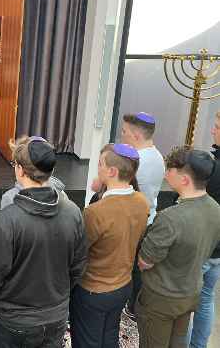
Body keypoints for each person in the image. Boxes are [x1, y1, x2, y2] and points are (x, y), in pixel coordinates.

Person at [0, 136, 87, 348]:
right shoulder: (74, 212)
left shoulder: (7, 221)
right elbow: (78, 267)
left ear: (20, 169)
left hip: (12, 322)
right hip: (55, 317)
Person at [136, 147, 220, 348]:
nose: (166, 174)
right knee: (178, 342)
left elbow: (145, 261)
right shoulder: (216, 209)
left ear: (184, 179)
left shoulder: (170, 218)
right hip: (190, 292)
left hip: (162, 299)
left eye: (170, 169)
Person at [69, 144, 150, 347]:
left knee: (87, 341)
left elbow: (77, 253)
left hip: (93, 291)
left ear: (112, 172)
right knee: (109, 336)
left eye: (100, 164)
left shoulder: (96, 212)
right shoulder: (142, 202)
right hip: (123, 286)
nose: (97, 168)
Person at [119, 112, 165, 318]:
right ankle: (134, 305)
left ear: (136, 136)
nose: (122, 135)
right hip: (148, 217)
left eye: (124, 132)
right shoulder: (157, 156)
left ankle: (132, 306)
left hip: (133, 222)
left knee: (131, 267)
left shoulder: (136, 162)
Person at [187, 112, 220, 348]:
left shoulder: (214, 169)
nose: (213, 130)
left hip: (205, 246)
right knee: (207, 297)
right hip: (218, 250)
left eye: (217, 127)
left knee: (187, 302)